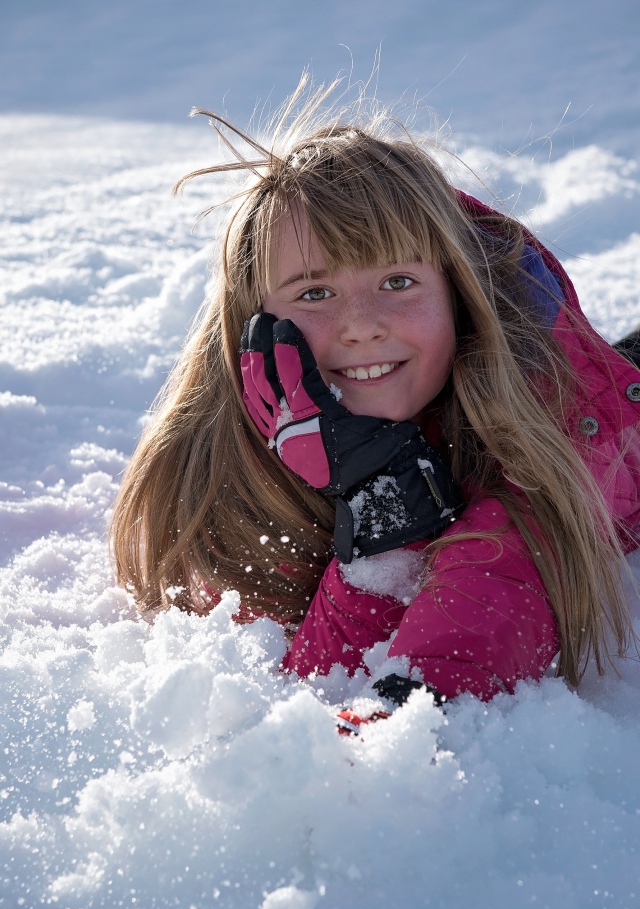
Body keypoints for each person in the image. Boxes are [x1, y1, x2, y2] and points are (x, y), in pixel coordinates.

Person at [110, 80, 640, 709]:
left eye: (397, 280)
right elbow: (286, 689)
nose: (362, 324)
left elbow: (495, 584)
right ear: (254, 327)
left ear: (458, 296)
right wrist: (383, 525)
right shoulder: (222, 461)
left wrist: (393, 727)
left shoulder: (540, 416)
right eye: (314, 293)